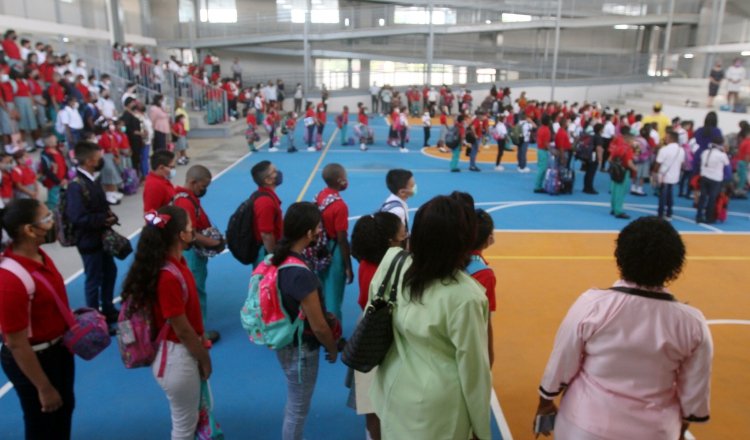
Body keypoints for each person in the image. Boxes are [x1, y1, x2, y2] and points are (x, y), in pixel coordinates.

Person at [535, 216, 712, 440]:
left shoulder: (592, 304)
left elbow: (562, 360)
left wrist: (545, 402)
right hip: (654, 431)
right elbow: (695, 390)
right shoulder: (693, 324)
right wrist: (678, 430)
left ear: (621, 256)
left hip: (584, 425)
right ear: (674, 265)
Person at [370, 195, 491, 439]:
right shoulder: (466, 296)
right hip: (439, 407)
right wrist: (481, 429)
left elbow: (372, 317)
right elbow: (474, 369)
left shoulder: (392, 261)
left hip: (392, 386)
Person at [121, 206, 212, 440]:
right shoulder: (168, 276)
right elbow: (181, 328)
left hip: (180, 356)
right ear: (182, 235)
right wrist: (203, 356)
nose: (194, 230)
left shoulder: (175, 264)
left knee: (191, 419)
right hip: (177, 358)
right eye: (191, 227)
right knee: (184, 427)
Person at [0, 199, 76, 439]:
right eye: (46, 219)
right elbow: (16, 343)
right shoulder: (11, 280)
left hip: (58, 351)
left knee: (63, 411)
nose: (52, 221)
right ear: (29, 230)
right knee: (42, 422)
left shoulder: (40, 255)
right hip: (35, 359)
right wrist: (43, 387)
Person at [272, 202, 339, 440]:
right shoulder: (300, 273)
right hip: (302, 348)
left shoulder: (279, 259)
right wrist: (332, 347)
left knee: (294, 402)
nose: (321, 231)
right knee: (298, 408)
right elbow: (319, 326)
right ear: (309, 233)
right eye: (318, 227)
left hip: (285, 340)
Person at [348, 210, 405, 440]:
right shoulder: (389, 269)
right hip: (381, 335)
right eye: (402, 233)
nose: (405, 236)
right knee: (376, 404)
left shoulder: (366, 262)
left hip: (367, 327)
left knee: (370, 402)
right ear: (390, 241)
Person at [65, 141, 119, 324]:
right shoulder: (76, 186)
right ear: (89, 160)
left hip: (100, 238)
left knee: (109, 272)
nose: (101, 160)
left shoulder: (90, 180)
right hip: (89, 240)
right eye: (98, 158)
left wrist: (108, 215)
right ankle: (95, 318)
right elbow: (77, 217)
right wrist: (103, 219)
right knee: (93, 279)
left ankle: (108, 308)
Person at [173, 165, 225, 344]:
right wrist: (214, 243)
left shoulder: (188, 198)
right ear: (193, 182)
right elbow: (191, 233)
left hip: (191, 254)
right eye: (203, 186)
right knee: (195, 291)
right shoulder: (186, 202)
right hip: (192, 255)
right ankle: (198, 332)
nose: (205, 190)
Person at [314, 164, 352, 323]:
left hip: (319, 249)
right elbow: (342, 238)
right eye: (345, 177)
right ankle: (334, 336)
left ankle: (319, 325)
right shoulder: (339, 206)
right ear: (340, 181)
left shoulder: (320, 195)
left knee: (321, 291)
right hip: (334, 250)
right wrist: (348, 266)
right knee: (334, 297)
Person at [466, 208, 497, 367]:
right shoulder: (484, 274)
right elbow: (484, 320)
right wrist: (489, 355)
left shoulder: (449, 256)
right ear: (488, 238)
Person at [250, 160, 283, 266]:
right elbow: (266, 234)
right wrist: (274, 256)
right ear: (268, 180)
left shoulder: (267, 196)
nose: (278, 173)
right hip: (264, 252)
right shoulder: (265, 202)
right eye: (274, 171)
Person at [696, 140, 729, 224]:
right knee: (712, 199)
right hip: (716, 179)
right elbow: (727, 166)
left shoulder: (705, 152)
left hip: (704, 177)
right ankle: (709, 217)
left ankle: (698, 216)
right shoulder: (722, 155)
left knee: (702, 197)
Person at [609, 127, 638, 219]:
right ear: (629, 140)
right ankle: (618, 211)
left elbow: (610, 159)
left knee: (614, 190)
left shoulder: (618, 147)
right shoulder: (628, 149)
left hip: (615, 170)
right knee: (620, 192)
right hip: (623, 171)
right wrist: (636, 169)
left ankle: (614, 208)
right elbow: (629, 163)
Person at [656, 130, 685, 220]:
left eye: (667, 137)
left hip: (664, 175)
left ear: (671, 138)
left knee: (663, 196)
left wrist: (654, 173)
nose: (665, 138)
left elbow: (658, 163)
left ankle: (660, 214)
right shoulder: (681, 150)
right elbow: (682, 163)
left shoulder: (664, 150)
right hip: (675, 175)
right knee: (670, 194)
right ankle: (669, 213)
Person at [380, 168, 415, 236]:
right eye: (412, 186)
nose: (415, 188)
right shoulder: (398, 211)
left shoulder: (392, 200)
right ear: (402, 192)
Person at [38, 132, 67, 210]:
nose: (56, 141)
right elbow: (47, 171)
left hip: (62, 179)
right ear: (48, 142)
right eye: (54, 140)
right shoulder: (45, 155)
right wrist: (58, 181)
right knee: (54, 200)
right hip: (53, 182)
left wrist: (65, 177)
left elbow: (64, 164)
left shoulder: (58, 151)